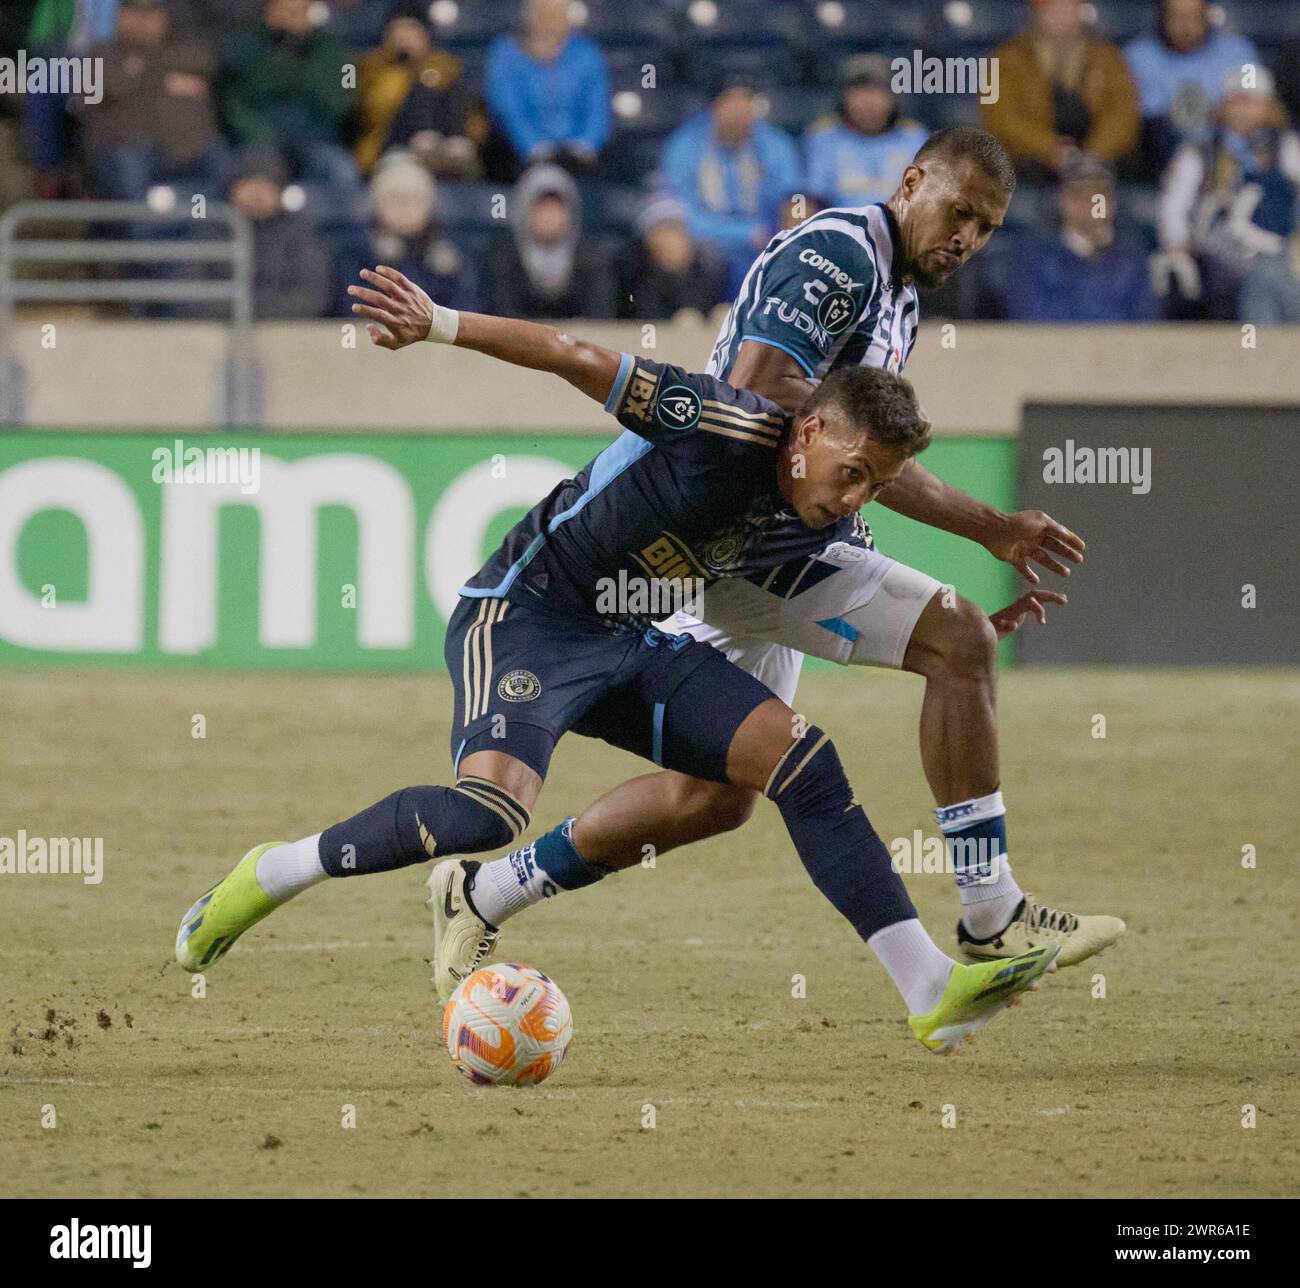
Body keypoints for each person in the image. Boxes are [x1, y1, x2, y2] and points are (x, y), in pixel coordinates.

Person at [175, 266, 1060, 1055]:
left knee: (801, 768)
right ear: (808, 428)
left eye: (877, 484)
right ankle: (276, 870)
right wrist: (438, 321)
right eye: (855, 472)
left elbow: (831, 590)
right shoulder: (719, 422)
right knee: (486, 814)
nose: (858, 497)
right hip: (525, 619)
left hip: (633, 641)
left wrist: (961, 625)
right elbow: (572, 352)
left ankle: (930, 990)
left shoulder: (817, 496)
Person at [427, 126, 1124, 989]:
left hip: (756, 547)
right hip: (752, 546)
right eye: (959, 212)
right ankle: (991, 912)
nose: (967, 238)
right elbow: (768, 397)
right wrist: (984, 529)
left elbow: (843, 452)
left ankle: (485, 890)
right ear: (912, 183)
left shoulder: (899, 291)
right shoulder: (840, 255)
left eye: (985, 228)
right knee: (962, 642)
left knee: (716, 797)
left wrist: (892, 580)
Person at [1156, 66, 1300, 320]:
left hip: (1275, 255)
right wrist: (1178, 243)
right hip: (1216, 258)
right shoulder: (1199, 152)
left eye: (1254, 103)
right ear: (1224, 106)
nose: (1245, 111)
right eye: (1238, 102)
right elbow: (1174, 206)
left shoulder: (1287, 147)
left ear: (1269, 106)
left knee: (1271, 278)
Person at [76, 0, 228, 201]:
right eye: (134, 14)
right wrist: (164, 80)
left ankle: (197, 217)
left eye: (150, 16)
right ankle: (149, 225)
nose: (141, 22)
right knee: (130, 168)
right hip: (128, 149)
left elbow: (204, 63)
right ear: (120, 16)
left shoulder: (187, 50)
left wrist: (137, 74)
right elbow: (95, 93)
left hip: (191, 150)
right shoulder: (99, 54)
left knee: (224, 167)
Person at [662, 78, 801, 294]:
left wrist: (788, 232)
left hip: (766, 239)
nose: (739, 111)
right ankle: (689, 315)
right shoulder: (685, 144)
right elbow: (677, 208)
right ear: (714, 106)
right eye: (730, 102)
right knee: (671, 238)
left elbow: (793, 197)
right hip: (705, 239)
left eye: (746, 102)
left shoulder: (775, 144)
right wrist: (741, 233)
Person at [982, 0, 1139, 183]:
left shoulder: (1107, 56)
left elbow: (1124, 113)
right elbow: (1002, 118)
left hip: (1098, 163)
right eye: (1052, 10)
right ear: (1036, 14)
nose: (1061, 18)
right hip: (1030, 165)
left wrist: (1095, 153)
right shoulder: (1007, 58)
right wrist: (1051, 149)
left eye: (1069, 10)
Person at [221, 0, 359, 193]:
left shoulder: (335, 51)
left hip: (316, 141)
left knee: (341, 170)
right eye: (283, 10)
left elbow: (342, 102)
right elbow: (234, 103)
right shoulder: (243, 48)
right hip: (260, 141)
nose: (289, 18)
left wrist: (301, 57)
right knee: (246, 177)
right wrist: (261, 135)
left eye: (297, 12)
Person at [1006, 156, 1159, 321]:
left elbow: (1146, 321)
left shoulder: (1132, 254)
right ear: (1064, 201)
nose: (1090, 204)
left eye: (1099, 195)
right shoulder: (1035, 254)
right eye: (1079, 194)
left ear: (1112, 203)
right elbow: (1029, 318)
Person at [335, 149, 482, 316]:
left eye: (414, 200)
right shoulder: (357, 253)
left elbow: (468, 312)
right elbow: (351, 309)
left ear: (429, 206)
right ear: (377, 206)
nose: (406, 209)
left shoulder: (451, 255)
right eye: (395, 199)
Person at [1124, 0, 1261, 173]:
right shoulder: (1137, 56)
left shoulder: (1238, 51)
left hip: (1238, 160)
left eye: (1194, 16)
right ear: (1161, 18)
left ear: (1208, 16)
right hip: (1165, 162)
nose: (1186, 25)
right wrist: (1217, 113)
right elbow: (1155, 119)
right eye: (1177, 16)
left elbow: (1259, 104)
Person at [354, 4, 484, 178]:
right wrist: (405, 69)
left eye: (412, 29)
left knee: (440, 88)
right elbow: (373, 112)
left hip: (446, 150)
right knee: (421, 91)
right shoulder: (370, 66)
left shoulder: (447, 66)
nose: (405, 36)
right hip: (389, 147)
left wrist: (421, 65)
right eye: (399, 30)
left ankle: (452, 146)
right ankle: (424, 141)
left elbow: (475, 120)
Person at [485, 0, 610, 177]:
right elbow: (508, 108)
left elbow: (596, 107)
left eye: (558, 13)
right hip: (519, 154)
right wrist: (534, 145)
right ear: (530, 17)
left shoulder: (587, 53)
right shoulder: (506, 52)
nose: (551, 20)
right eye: (545, 13)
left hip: (578, 156)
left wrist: (586, 144)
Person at [486, 163, 616, 319]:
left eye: (556, 208)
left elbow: (600, 317)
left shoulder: (592, 259)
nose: (549, 217)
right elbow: (501, 313)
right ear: (523, 211)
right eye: (541, 208)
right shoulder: (502, 257)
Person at [804, 54, 929, 210]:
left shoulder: (914, 139)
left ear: (895, 98)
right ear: (843, 97)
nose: (869, 101)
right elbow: (805, 200)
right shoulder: (823, 139)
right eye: (859, 91)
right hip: (839, 231)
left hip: (901, 232)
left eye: (879, 91)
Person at [227, 146, 331, 319]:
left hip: (287, 334)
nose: (258, 194)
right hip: (214, 333)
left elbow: (312, 298)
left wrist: (255, 312)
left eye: (267, 187)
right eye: (250, 185)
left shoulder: (301, 233)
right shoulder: (212, 231)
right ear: (232, 190)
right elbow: (193, 297)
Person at [619, 192, 726, 320]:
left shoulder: (710, 273)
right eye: (663, 230)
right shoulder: (630, 279)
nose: (672, 239)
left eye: (677, 228)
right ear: (647, 240)